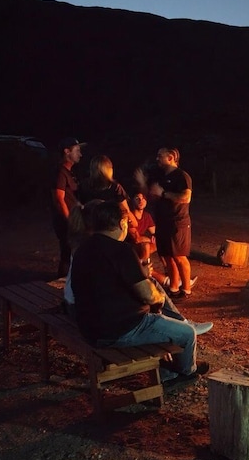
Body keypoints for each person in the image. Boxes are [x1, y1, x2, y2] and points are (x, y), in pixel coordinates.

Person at [70, 200, 208, 383]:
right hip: (121, 330)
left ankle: (169, 369)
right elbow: (147, 294)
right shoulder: (120, 250)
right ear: (121, 223)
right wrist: (157, 297)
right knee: (187, 333)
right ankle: (185, 374)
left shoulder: (83, 249)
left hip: (90, 329)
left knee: (163, 326)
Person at [135, 147, 194, 301]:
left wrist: (164, 193)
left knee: (179, 256)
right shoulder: (160, 176)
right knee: (167, 256)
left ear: (171, 157)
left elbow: (186, 197)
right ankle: (174, 288)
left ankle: (186, 289)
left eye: (160, 156)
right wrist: (142, 183)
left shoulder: (182, 176)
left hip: (177, 222)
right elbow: (151, 195)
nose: (157, 159)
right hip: (162, 221)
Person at [50, 137, 84, 277]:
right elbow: (59, 199)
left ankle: (68, 281)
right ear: (67, 152)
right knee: (68, 252)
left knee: (73, 252)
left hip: (72, 219)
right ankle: (62, 282)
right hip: (66, 221)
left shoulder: (69, 172)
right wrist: (70, 221)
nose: (80, 154)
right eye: (77, 150)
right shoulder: (61, 173)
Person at [78, 155, 136, 227]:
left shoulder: (83, 185)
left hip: (89, 225)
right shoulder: (115, 187)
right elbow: (125, 210)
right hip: (110, 226)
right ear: (108, 169)